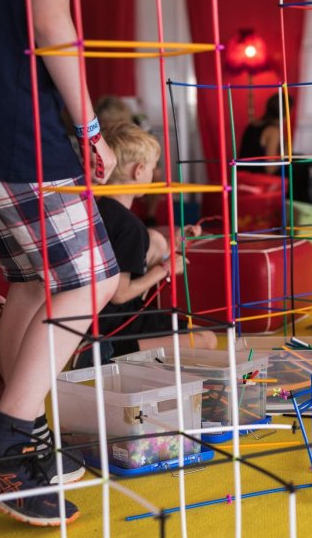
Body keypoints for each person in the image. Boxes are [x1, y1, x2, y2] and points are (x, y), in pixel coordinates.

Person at [0, 0, 121, 526]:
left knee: (30, 280)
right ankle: (11, 435)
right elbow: (51, 23)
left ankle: (27, 437)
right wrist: (90, 129)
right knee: (96, 281)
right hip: (21, 130)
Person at [73, 122, 216, 368]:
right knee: (208, 339)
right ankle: (109, 350)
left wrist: (176, 241)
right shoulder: (129, 227)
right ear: (139, 171)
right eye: (153, 167)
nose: (154, 173)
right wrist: (167, 269)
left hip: (87, 315)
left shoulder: (97, 209)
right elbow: (120, 294)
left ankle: (104, 346)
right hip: (114, 321)